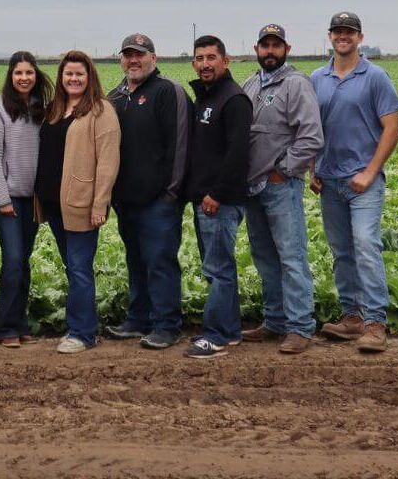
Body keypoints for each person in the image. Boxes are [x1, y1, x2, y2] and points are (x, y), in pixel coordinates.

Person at [309, 12, 398, 354]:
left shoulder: (374, 76)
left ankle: (376, 322)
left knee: (365, 244)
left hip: (363, 180)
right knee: (342, 251)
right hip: (329, 179)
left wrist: (370, 170)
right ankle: (351, 318)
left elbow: (393, 128)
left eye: (349, 32)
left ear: (360, 37)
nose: (342, 37)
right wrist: (312, 167)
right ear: (330, 36)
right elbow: (311, 128)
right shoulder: (317, 77)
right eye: (337, 31)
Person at [240, 24, 324, 354]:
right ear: (257, 49)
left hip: (280, 186)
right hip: (252, 187)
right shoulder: (249, 84)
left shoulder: (295, 84)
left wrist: (283, 171)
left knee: (291, 257)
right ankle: (275, 320)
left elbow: (311, 137)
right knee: (264, 257)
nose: (270, 51)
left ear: (286, 48)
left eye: (276, 45)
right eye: (265, 46)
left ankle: (300, 326)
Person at [104, 33, 191, 350]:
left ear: (154, 58)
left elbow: (180, 145)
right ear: (121, 60)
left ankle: (167, 324)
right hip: (126, 201)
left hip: (160, 202)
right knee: (136, 260)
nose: (133, 60)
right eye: (128, 55)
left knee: (160, 261)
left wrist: (171, 193)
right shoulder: (114, 97)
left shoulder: (169, 91)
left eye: (139, 54)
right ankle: (138, 319)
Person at [35, 50, 121, 354]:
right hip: (55, 205)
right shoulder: (54, 109)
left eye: (79, 74)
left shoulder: (101, 111)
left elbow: (108, 162)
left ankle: (83, 333)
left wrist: (101, 203)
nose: (73, 79)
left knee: (80, 267)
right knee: (72, 267)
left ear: (90, 78)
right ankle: (79, 325)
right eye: (68, 74)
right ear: (61, 77)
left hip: (82, 204)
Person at [183, 36, 252, 359]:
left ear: (226, 61)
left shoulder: (233, 99)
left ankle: (216, 335)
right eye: (200, 58)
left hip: (219, 201)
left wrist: (216, 194)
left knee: (218, 268)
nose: (205, 64)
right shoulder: (207, 97)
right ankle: (231, 330)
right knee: (218, 265)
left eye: (212, 57)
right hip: (207, 198)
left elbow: (237, 153)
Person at [0, 51, 52, 347]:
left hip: (32, 199)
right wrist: (2, 198)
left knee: (23, 261)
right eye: (18, 73)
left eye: (28, 73)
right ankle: (4, 327)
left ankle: (20, 321)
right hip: (8, 198)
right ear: (10, 76)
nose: (24, 78)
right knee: (12, 260)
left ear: (35, 76)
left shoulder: (41, 108)